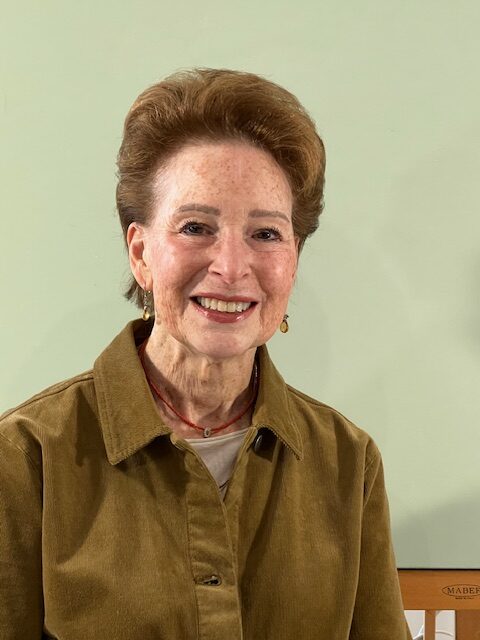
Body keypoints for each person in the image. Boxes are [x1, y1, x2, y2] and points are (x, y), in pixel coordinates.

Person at [0, 68, 411, 639]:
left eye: (266, 234)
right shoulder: (24, 457)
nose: (232, 267)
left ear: (293, 259)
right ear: (140, 253)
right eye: (196, 227)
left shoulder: (348, 461)